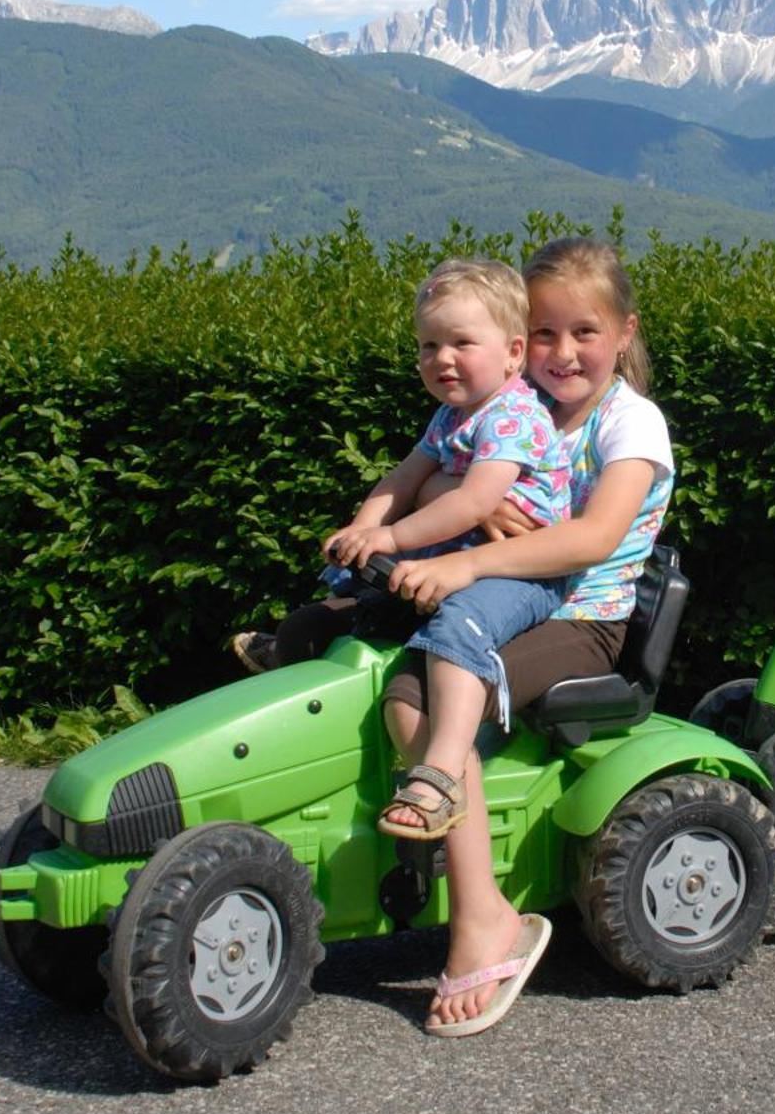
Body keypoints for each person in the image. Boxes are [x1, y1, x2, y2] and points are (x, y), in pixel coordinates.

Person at [380, 236, 675, 1037]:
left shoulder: (631, 422)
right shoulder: (520, 407)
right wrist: (463, 497)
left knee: (434, 697)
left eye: (584, 331)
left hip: (585, 619)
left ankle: (484, 918)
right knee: (396, 688)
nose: (562, 351)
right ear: (518, 343)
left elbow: (590, 539)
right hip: (518, 600)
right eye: (544, 333)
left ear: (623, 332)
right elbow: (442, 472)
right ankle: (445, 817)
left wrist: (475, 559)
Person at [236, 258, 573, 842]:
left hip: (517, 574)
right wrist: (361, 529)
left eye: (461, 342)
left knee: (458, 628)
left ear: (513, 353)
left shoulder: (515, 415)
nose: (441, 358)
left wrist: (390, 536)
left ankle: (441, 771)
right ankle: (297, 666)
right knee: (349, 598)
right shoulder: (451, 415)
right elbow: (402, 479)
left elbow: (474, 503)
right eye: (428, 345)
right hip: (456, 562)